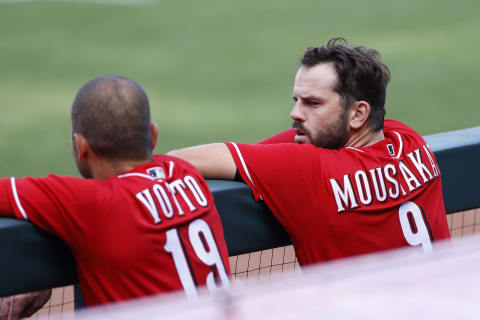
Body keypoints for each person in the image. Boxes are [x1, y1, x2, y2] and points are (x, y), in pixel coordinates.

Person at [169, 38, 451, 266]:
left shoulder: (310, 169)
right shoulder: (409, 140)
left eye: (313, 103)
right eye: (296, 101)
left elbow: (183, 159)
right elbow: (282, 145)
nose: (295, 113)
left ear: (358, 114)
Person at [0, 75, 231, 308]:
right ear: (153, 136)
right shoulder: (186, 173)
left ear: (80, 147)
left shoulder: (90, 203)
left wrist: (41, 268)